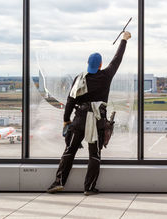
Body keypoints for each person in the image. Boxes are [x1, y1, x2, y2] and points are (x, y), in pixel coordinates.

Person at [47, 31, 131, 195]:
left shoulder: (79, 78)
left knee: (69, 151)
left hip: (79, 119)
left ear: (88, 64)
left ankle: (58, 182)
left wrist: (66, 120)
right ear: (100, 65)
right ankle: (89, 187)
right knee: (94, 155)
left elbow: (70, 101)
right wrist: (124, 40)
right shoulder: (106, 75)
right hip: (97, 120)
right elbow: (117, 59)